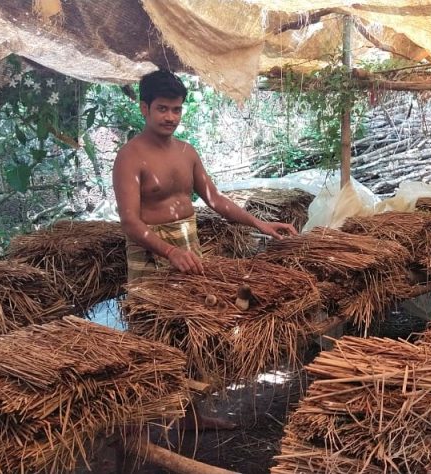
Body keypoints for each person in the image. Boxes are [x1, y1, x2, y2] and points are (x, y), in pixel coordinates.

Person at [112, 69, 297, 429]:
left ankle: (191, 416)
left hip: (189, 244)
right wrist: (168, 252)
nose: (170, 117)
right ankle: (136, 429)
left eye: (177, 109)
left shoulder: (187, 152)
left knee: (192, 329)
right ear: (144, 108)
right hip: (151, 250)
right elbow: (130, 222)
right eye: (162, 109)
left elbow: (214, 199)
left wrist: (259, 223)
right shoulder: (130, 157)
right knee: (154, 334)